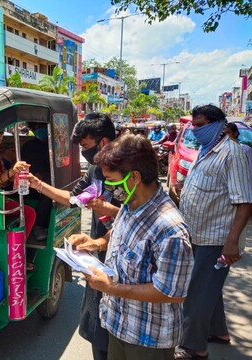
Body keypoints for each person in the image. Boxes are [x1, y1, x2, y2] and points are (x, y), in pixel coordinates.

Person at [73, 134, 194, 360]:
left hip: (147, 340)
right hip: (119, 326)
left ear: (134, 177)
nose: (108, 186)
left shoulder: (170, 230)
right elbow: (119, 232)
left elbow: (171, 292)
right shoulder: (131, 204)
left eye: (111, 180)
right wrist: (97, 243)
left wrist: (111, 288)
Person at [28, 113, 120, 360]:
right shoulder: (94, 168)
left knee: (116, 329)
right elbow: (73, 200)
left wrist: (112, 212)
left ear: (103, 143)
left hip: (123, 257)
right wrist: (38, 184)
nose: (84, 152)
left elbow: (138, 218)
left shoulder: (132, 169)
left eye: (85, 146)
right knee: (95, 326)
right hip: (99, 254)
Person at [175, 105, 252, 359]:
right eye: (193, 125)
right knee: (208, 287)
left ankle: (194, 347)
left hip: (216, 239)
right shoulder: (205, 150)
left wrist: (231, 242)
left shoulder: (233, 154)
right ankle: (219, 332)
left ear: (218, 125)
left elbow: (244, 202)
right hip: (196, 233)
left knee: (196, 291)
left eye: (200, 125)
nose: (195, 130)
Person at [21, 122, 51, 241]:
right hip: (30, 182)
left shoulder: (53, 144)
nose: (36, 130)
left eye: (39, 127)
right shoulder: (29, 145)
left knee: (49, 182)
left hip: (49, 181)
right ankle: (38, 226)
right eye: (33, 128)